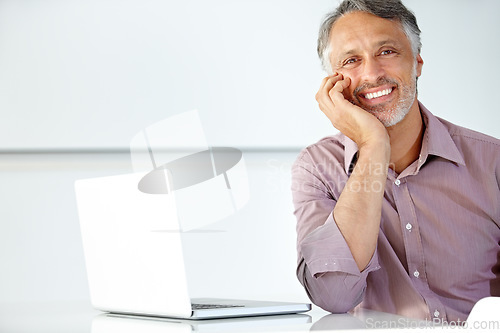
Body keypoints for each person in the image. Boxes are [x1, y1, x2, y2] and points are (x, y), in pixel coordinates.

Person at [291, 0, 500, 323]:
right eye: (351, 60)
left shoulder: (492, 161)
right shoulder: (317, 167)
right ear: (333, 82)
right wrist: (373, 144)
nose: (372, 74)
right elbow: (333, 295)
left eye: (387, 52)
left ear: (417, 62)